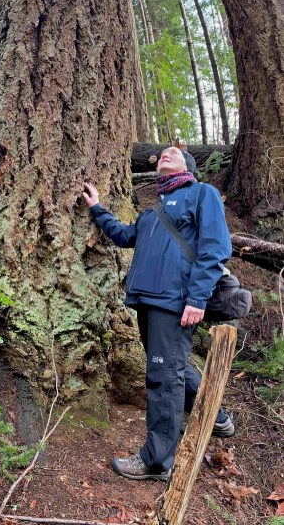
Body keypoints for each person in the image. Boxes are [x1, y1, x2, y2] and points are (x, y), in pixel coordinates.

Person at [82, 145, 234, 483]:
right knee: (172, 368)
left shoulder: (201, 194)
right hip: (147, 302)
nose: (165, 154)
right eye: (162, 153)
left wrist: (197, 298)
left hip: (176, 302)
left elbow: (216, 248)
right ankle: (218, 416)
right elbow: (123, 236)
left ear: (189, 166)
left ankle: (157, 461)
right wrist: (96, 208)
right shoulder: (152, 213)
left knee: (163, 379)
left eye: (174, 153)